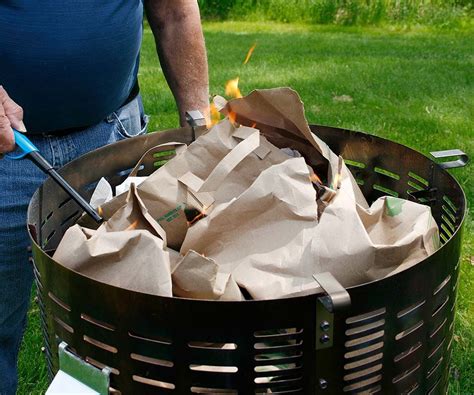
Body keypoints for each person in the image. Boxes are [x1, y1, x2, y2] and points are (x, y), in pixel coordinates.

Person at [0, 1, 209, 393]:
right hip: (5, 152)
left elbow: (176, 13)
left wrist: (200, 131)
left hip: (113, 136)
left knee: (126, 327)